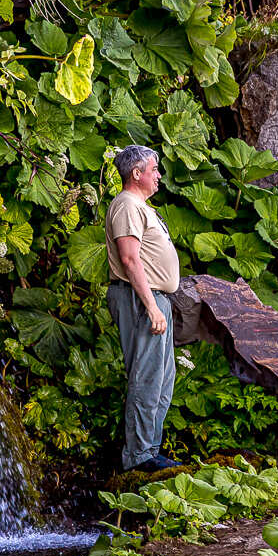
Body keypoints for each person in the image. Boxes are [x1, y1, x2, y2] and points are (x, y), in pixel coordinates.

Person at [104, 145, 182, 472]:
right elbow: (129, 259)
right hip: (139, 298)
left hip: (152, 298)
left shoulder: (139, 206)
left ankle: (149, 450)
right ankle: (138, 458)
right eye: (154, 169)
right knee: (146, 377)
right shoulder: (126, 204)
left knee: (163, 379)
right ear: (137, 174)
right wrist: (151, 306)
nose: (159, 175)